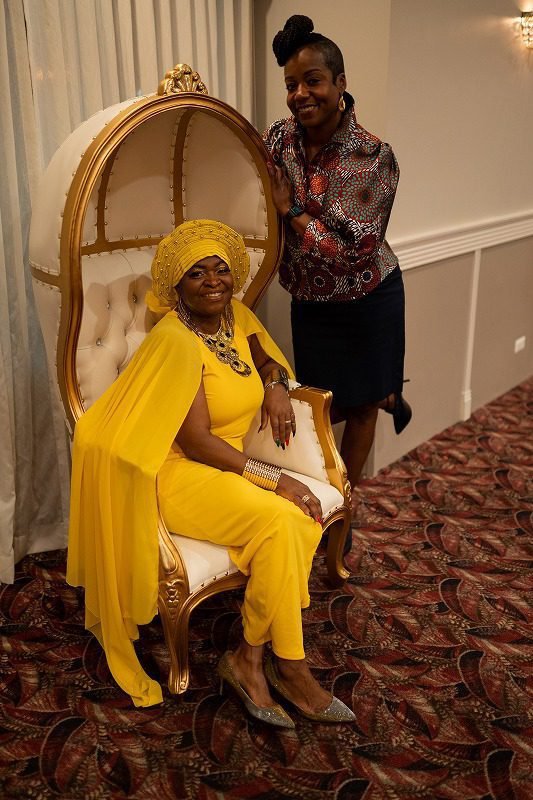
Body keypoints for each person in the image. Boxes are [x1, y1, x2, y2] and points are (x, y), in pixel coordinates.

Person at [67, 219, 355, 725]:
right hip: (176, 473)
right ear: (177, 286)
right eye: (196, 273)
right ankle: (288, 665)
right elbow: (197, 442)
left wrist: (275, 386)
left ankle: (251, 658)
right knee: (284, 519)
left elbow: (268, 359)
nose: (213, 281)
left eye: (220, 270)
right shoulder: (176, 341)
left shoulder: (235, 316)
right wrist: (277, 479)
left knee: (291, 524)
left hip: (224, 467)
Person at [264, 15, 411, 518]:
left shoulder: (372, 157)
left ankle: (343, 511)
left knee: (363, 406)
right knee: (319, 406)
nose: (300, 94)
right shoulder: (280, 139)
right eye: (291, 84)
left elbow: (354, 252)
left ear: (340, 83)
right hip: (311, 304)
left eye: (313, 81)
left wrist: (291, 211)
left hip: (367, 300)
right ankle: (322, 501)